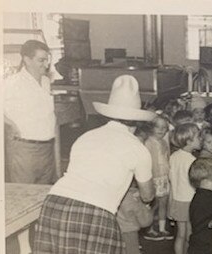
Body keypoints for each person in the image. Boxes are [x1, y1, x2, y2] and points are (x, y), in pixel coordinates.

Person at [33, 75, 156, 253]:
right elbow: (148, 195)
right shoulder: (138, 148)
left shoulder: (86, 137)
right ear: (138, 121)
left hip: (55, 204)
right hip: (94, 212)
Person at [4, 40, 56, 184]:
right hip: (24, 150)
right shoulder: (13, 83)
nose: (46, 65)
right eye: (41, 60)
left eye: (47, 60)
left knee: (42, 194)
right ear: (27, 60)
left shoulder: (46, 81)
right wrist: (11, 124)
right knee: (24, 194)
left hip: (47, 149)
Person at [168, 123, 201, 254]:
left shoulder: (173, 157)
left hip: (177, 199)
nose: (201, 140)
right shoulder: (192, 160)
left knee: (180, 235)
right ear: (189, 141)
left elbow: (171, 180)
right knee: (190, 234)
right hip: (189, 201)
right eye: (198, 137)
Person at [143, 116, 174, 241]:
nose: (161, 130)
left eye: (164, 128)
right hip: (153, 178)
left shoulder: (164, 143)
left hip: (164, 177)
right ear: (151, 128)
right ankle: (149, 228)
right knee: (153, 204)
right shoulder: (148, 142)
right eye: (158, 127)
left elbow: (167, 158)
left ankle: (162, 228)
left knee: (163, 203)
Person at [116, 183, 154, 254]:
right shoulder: (131, 197)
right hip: (130, 234)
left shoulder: (111, 194)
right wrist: (145, 206)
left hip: (114, 231)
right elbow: (145, 221)